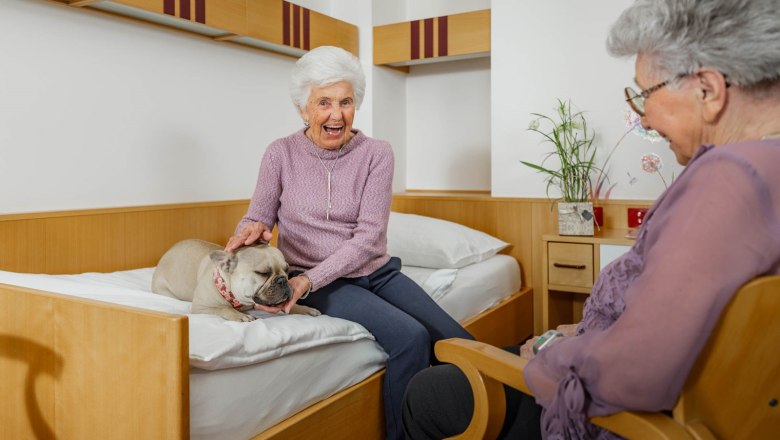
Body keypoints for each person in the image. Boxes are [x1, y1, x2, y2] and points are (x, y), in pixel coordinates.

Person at [402, 0, 780, 438]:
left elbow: (637, 367)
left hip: (628, 414)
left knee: (430, 390)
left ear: (708, 90)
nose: (644, 115)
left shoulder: (729, 180)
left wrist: (557, 352)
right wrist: (585, 333)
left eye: (645, 93)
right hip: (677, 388)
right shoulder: (761, 167)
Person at [225, 45, 473, 440]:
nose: (335, 114)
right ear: (303, 109)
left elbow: (368, 237)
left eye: (345, 101)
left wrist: (307, 281)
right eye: (323, 102)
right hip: (319, 281)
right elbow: (258, 215)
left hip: (376, 272)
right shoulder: (280, 153)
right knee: (411, 338)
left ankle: (490, 420)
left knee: (461, 342)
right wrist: (250, 229)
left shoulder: (377, 154)